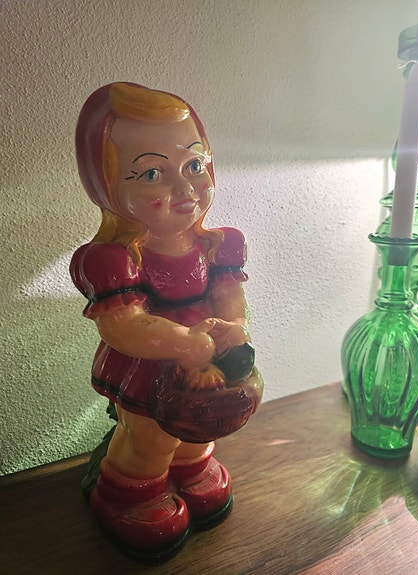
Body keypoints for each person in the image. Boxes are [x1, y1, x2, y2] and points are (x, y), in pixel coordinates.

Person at [70, 82, 263, 561]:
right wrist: (182, 342)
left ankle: (192, 469)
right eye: (152, 173)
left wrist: (234, 325)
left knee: (199, 428)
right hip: (151, 364)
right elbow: (122, 324)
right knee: (150, 437)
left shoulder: (218, 244)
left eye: (195, 165)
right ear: (105, 184)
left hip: (207, 360)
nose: (185, 189)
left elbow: (228, 293)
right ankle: (129, 492)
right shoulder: (115, 260)